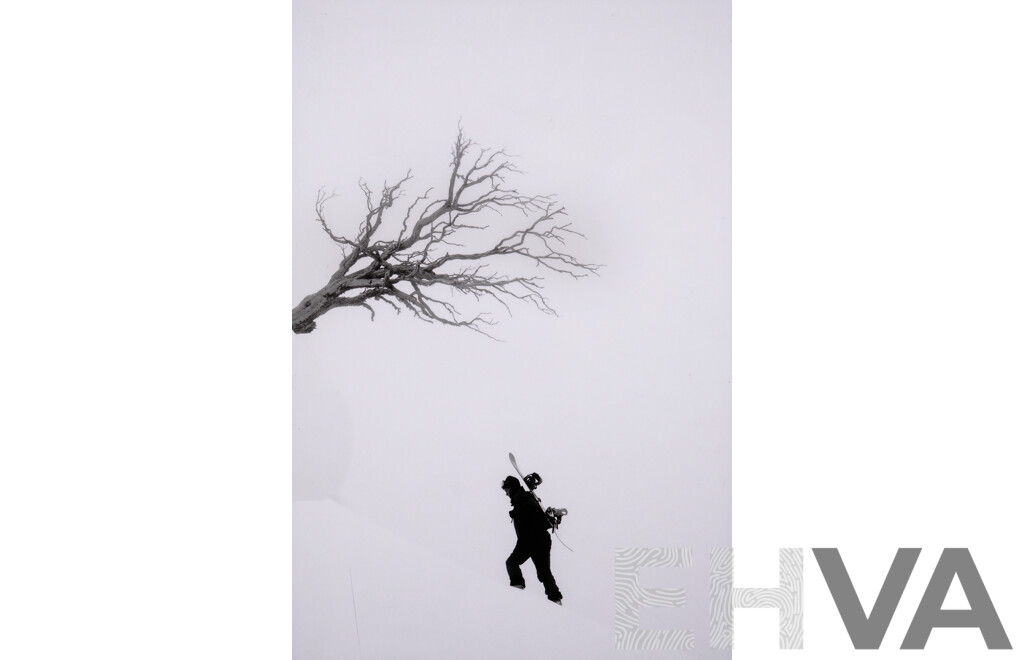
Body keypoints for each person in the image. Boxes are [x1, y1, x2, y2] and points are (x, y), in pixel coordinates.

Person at [501, 475, 563, 605]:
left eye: (506, 489)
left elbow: (530, 510)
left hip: (530, 540)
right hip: (541, 539)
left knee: (511, 563)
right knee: (544, 572)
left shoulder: (521, 497)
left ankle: (517, 588)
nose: (506, 493)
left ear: (511, 488)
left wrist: (516, 512)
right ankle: (555, 598)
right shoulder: (525, 497)